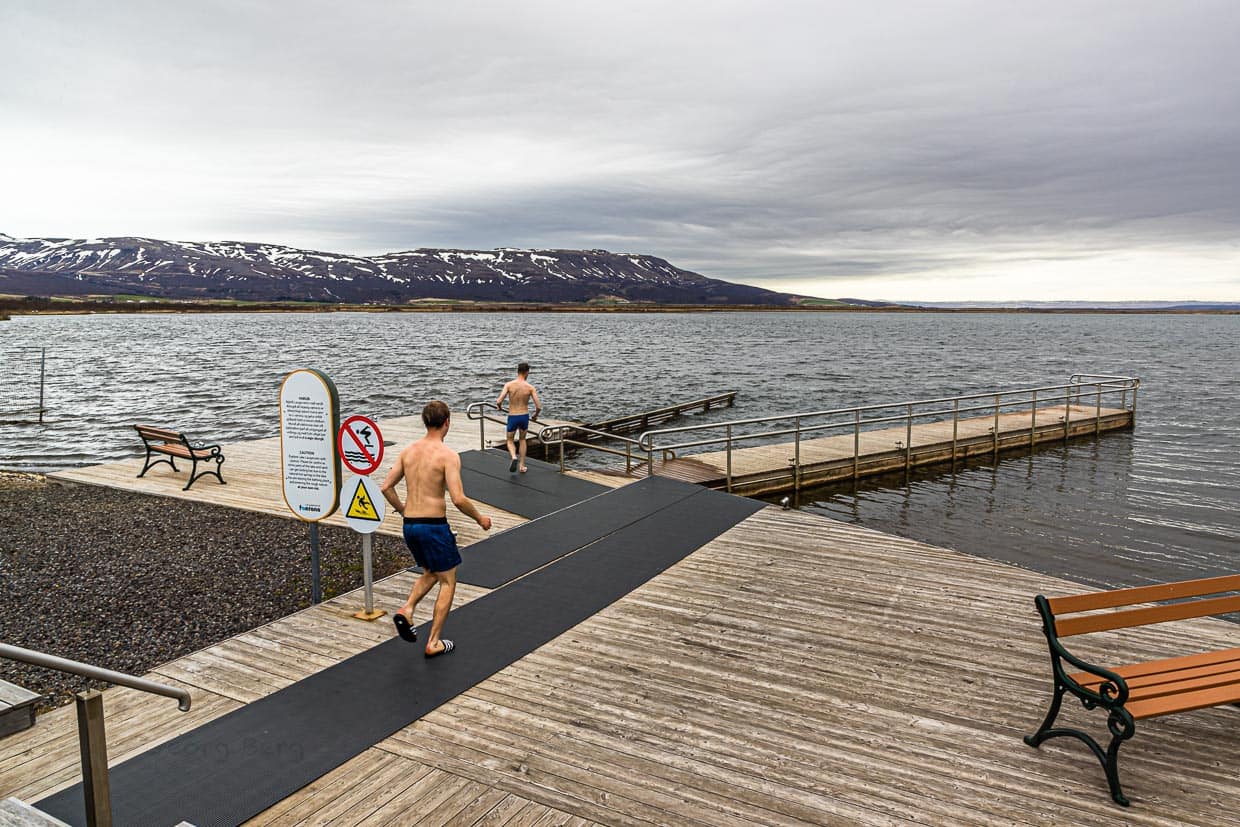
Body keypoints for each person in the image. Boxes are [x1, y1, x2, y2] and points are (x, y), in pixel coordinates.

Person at [380, 400, 491, 657]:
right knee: (448, 581)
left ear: (425, 421)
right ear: (447, 423)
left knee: (431, 570)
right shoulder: (447, 456)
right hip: (433, 526)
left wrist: (403, 509)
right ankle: (434, 642)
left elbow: (386, 486)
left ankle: (407, 609)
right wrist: (480, 519)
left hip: (411, 526)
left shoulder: (408, 452)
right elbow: (459, 499)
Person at [495, 361, 542, 473]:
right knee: (522, 440)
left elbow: (499, 400)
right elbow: (539, 407)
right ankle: (522, 466)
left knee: (510, 440)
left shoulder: (509, 385)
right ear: (527, 372)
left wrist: (500, 407)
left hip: (513, 416)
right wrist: (535, 415)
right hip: (524, 416)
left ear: (517, 371)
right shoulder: (530, 387)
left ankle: (513, 457)